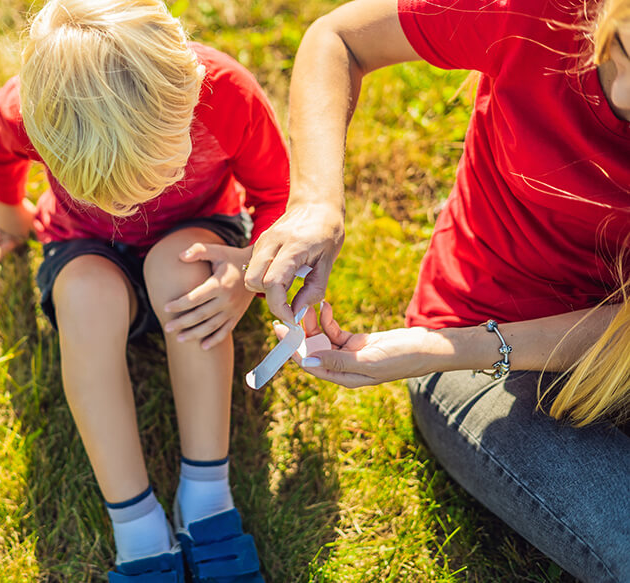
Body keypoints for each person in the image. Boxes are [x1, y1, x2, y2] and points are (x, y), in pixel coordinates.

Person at [243, 0, 630, 580]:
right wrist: (316, 199)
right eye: (622, 48)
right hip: (482, 347)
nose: (622, 91)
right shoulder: (543, 13)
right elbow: (340, 38)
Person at [0, 0, 287, 580]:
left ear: (186, 97)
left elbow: (280, 198)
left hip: (198, 239)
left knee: (181, 270)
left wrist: (246, 272)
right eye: (109, 188)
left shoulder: (227, 94)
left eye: (152, 177)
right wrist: (9, 215)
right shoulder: (30, 109)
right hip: (86, 248)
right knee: (84, 299)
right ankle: (137, 527)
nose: (130, 202)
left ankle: (207, 499)